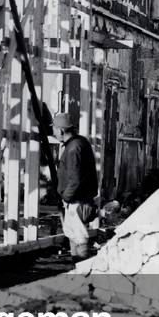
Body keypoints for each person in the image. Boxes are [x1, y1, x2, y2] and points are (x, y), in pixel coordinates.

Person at [52, 111, 98, 260]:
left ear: (61, 130)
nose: (53, 132)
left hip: (76, 200)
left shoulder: (73, 148)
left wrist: (66, 197)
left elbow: (75, 179)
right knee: (72, 232)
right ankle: (77, 264)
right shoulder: (80, 142)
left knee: (79, 235)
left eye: (54, 129)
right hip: (80, 198)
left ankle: (83, 266)